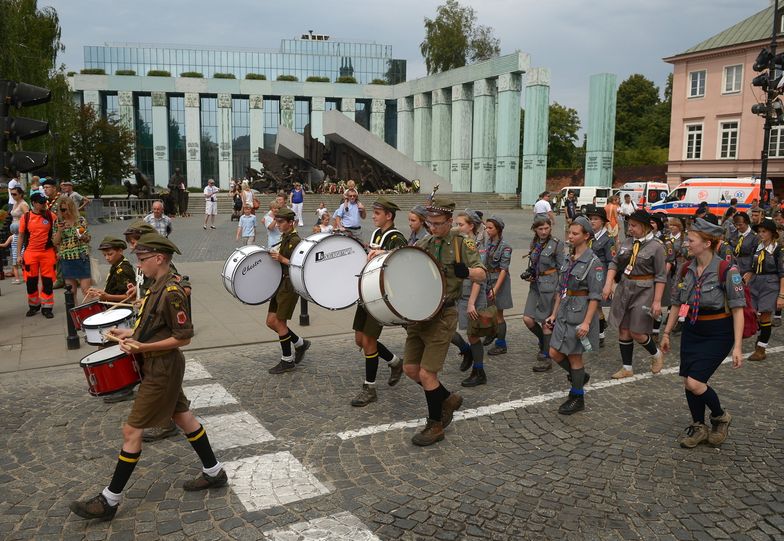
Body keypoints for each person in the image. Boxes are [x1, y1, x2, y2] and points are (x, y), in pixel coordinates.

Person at [69, 234, 227, 521]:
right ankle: (214, 472)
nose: (138, 265)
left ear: (159, 258)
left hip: (162, 368)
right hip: (157, 365)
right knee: (184, 418)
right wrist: (130, 333)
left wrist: (143, 346)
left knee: (131, 431)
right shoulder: (157, 288)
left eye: (142, 259)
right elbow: (153, 325)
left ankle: (109, 500)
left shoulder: (172, 292)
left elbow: (183, 337)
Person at [403, 197, 486, 446]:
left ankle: (435, 424)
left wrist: (467, 272)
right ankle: (448, 398)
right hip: (421, 313)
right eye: (430, 223)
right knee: (410, 369)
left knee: (428, 373)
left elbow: (482, 273)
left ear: (449, 221)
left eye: (439, 223)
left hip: (444, 314)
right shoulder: (426, 241)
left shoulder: (462, 242)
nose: (434, 228)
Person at [660, 218, 744, 448]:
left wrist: (737, 346)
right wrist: (667, 332)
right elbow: (677, 303)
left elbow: (738, 310)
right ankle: (698, 426)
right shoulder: (686, 268)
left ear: (707, 243)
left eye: (691, 240)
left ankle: (720, 416)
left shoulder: (727, 270)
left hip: (718, 332)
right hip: (692, 329)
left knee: (695, 383)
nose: (687, 244)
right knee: (689, 382)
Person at [349, 197, 407, 407]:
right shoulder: (376, 234)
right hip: (367, 291)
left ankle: (369, 388)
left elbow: (405, 259)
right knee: (359, 340)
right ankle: (395, 362)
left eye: (377, 213)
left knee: (369, 342)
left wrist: (385, 253)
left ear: (388, 216)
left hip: (381, 297)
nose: (372, 216)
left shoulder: (396, 237)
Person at [545, 216, 603, 415]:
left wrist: (586, 323)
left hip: (580, 315)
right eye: (569, 232)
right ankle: (579, 377)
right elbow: (562, 289)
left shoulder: (594, 262)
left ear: (586, 236)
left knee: (575, 357)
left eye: (575, 233)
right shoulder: (568, 258)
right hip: (563, 312)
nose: (570, 236)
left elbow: (595, 297)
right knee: (554, 352)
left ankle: (577, 397)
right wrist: (553, 314)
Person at [603, 209, 666, 379]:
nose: (629, 228)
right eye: (629, 225)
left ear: (645, 227)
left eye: (633, 225)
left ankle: (656, 355)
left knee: (637, 331)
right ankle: (627, 367)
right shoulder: (627, 243)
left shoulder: (657, 247)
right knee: (623, 329)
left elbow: (661, 276)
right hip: (625, 288)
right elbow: (614, 263)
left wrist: (657, 301)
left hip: (644, 290)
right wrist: (608, 284)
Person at [85, 236, 139, 404]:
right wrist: (102, 293)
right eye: (105, 255)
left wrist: (107, 296)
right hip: (114, 314)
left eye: (110, 254)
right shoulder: (116, 267)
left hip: (121, 316)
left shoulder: (124, 270)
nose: (107, 258)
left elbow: (129, 297)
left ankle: (123, 386)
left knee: (116, 352)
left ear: (120, 251)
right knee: (108, 349)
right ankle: (118, 385)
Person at [265, 208, 311, 374]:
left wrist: (281, 258)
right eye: (277, 221)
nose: (278, 225)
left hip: (289, 286)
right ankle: (300, 343)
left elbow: (300, 264)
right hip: (280, 284)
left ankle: (287, 360)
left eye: (281, 222)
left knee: (279, 322)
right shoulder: (285, 237)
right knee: (271, 321)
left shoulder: (296, 240)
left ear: (291, 223)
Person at [451, 210, 491, 387]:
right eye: (456, 224)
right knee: (466, 334)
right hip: (461, 294)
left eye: (460, 225)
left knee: (474, 336)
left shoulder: (473, 245)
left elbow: (478, 275)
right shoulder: (459, 242)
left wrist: (472, 303)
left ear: (470, 226)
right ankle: (468, 353)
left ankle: (479, 371)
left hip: (473, 295)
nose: (456, 227)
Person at [523, 218, 566, 372]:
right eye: (540, 229)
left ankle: (547, 357)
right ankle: (544, 341)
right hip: (535, 285)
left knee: (546, 323)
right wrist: (531, 274)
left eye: (546, 228)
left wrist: (560, 290)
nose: (543, 231)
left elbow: (562, 267)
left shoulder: (556, 244)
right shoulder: (535, 243)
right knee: (527, 319)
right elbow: (534, 263)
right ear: (535, 229)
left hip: (550, 285)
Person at [746, 219, 784, 362]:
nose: (760, 234)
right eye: (759, 231)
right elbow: (751, 267)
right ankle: (762, 337)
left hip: (770, 283)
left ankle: (761, 349)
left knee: (765, 316)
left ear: (772, 234)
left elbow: (782, 274)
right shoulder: (757, 247)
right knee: (752, 313)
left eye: (764, 231)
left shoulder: (778, 250)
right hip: (755, 282)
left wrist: (781, 295)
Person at [53, 196, 92, 302]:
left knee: (86, 290)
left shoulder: (80, 220)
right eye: (61, 210)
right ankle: (75, 316)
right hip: (67, 258)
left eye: (65, 209)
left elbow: (88, 239)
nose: (64, 212)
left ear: (72, 208)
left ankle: (88, 314)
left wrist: (81, 235)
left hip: (81, 256)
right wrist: (60, 231)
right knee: (71, 291)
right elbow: (55, 242)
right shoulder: (58, 222)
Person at [585, 206, 614, 346]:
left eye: (595, 219)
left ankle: (600, 334)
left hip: (600, 276)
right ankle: (596, 330)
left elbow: (612, 262)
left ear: (602, 222)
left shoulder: (608, 239)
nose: (592, 221)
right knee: (592, 304)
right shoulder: (589, 237)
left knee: (596, 305)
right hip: (588, 275)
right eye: (590, 219)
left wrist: (610, 283)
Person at [485, 217, 513, 356]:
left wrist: (496, 289)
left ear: (498, 229)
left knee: (499, 315)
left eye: (490, 228)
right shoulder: (487, 243)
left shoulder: (505, 246)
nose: (487, 230)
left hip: (499, 281)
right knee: (489, 313)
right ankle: (493, 332)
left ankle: (501, 344)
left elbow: (504, 269)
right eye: (486, 227)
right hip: (488, 279)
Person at [5, 186, 29, 284]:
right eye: (12, 194)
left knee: (22, 252)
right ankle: (19, 274)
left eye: (15, 194)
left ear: (20, 194)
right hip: (16, 231)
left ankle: (26, 275)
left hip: (21, 231)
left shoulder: (23, 204)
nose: (13, 196)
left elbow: (28, 216)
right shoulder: (16, 203)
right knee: (16, 251)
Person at [731, 212, 759, 278]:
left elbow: (755, 255)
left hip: (746, 268)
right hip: (733, 267)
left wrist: (751, 271)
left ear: (747, 222)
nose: (738, 227)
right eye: (736, 225)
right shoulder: (733, 234)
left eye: (740, 225)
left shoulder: (755, 237)